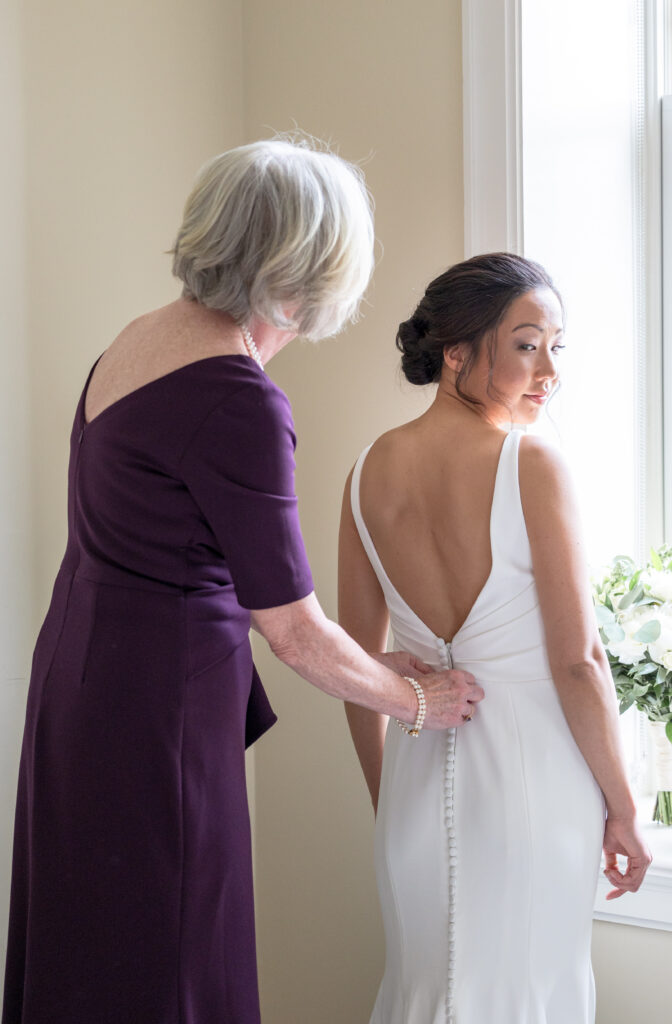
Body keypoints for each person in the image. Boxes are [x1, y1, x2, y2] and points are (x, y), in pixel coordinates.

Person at [1, 138, 482, 1024]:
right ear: (311, 265)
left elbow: (181, 557)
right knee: (173, 955)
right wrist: (414, 702)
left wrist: (378, 666)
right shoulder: (237, 397)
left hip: (78, 685)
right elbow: (291, 628)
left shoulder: (137, 339)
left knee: (93, 945)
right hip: (156, 716)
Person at [338, 252, 652, 1024]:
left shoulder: (365, 471)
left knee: (425, 992)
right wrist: (621, 808)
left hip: (411, 790)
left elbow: (355, 668)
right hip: (533, 790)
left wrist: (389, 801)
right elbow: (576, 664)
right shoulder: (532, 462)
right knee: (525, 997)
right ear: (456, 352)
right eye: (524, 344)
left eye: (555, 346)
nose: (548, 369)